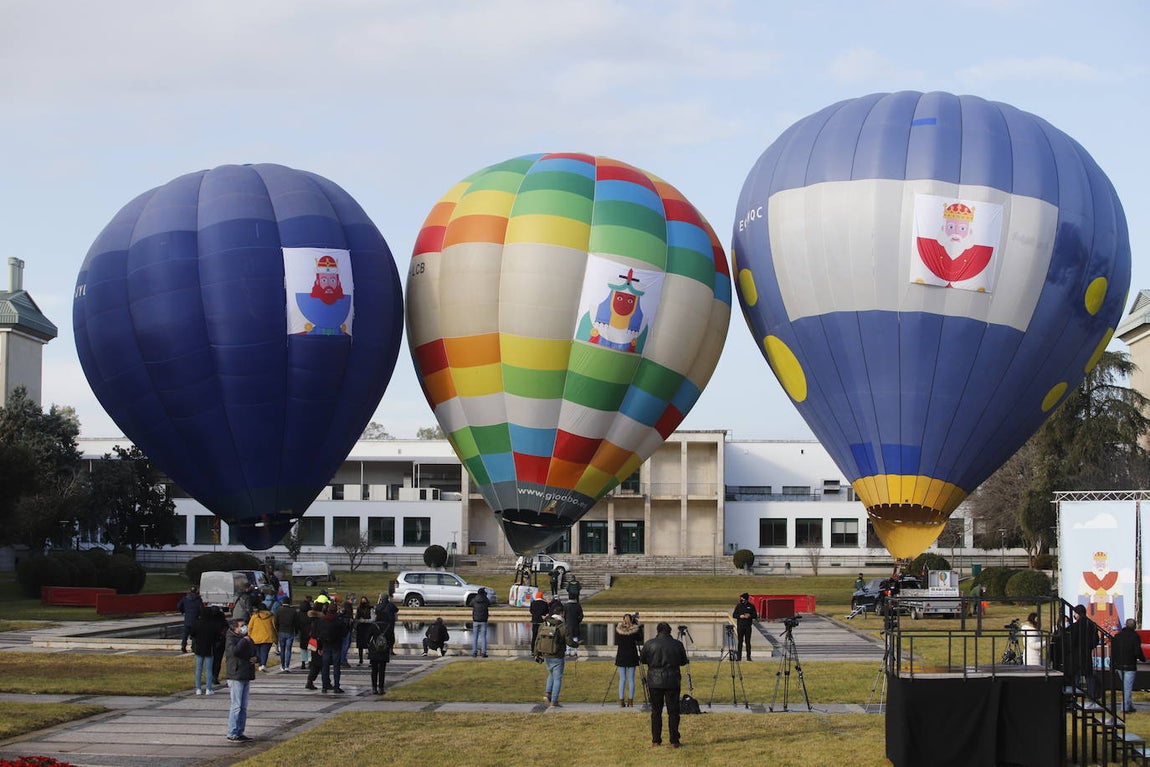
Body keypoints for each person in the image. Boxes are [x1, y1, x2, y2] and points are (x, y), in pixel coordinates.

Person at [640, 621, 690, 748]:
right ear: (670, 631)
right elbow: (684, 661)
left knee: (656, 711)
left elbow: (643, 660)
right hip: (672, 680)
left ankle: (656, 740)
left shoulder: (649, 644)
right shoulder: (677, 644)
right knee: (673, 712)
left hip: (655, 681)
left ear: (658, 631)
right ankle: (674, 740)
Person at [534, 605, 578, 707]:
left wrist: (537, 653)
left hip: (546, 654)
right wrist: (577, 644)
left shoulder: (544, 624)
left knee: (551, 674)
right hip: (557, 655)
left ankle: (547, 694)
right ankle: (554, 700)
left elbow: (537, 640)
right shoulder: (562, 626)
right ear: (561, 613)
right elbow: (569, 642)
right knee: (557, 678)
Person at [223, 618, 256, 743]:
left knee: (243, 706)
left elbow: (253, 649)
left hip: (246, 673)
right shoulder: (231, 639)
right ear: (235, 628)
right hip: (236, 675)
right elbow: (235, 652)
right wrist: (243, 640)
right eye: (242, 626)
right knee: (236, 706)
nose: (244, 628)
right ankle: (232, 732)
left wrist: (255, 657)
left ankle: (240, 731)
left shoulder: (246, 638)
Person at [1111, 617, 1146, 713]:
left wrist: (1112, 664)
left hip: (1119, 665)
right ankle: (1125, 708)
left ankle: (1129, 705)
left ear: (1125, 625)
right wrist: (1143, 659)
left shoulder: (1117, 636)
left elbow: (1113, 652)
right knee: (1127, 687)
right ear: (1134, 627)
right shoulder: (1135, 636)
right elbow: (1137, 651)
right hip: (1130, 665)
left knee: (1126, 686)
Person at [315, 602, 349, 693]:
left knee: (325, 667)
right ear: (336, 611)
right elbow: (345, 633)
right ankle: (336, 686)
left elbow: (319, 635)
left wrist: (319, 647)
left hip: (325, 645)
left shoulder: (322, 620)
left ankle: (324, 686)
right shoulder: (338, 621)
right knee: (336, 667)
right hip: (336, 645)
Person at [190, 606, 225, 695]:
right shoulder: (213, 625)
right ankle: (208, 689)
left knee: (198, 669)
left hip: (199, 648)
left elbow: (192, 634)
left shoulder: (197, 624)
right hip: (210, 648)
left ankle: (198, 689)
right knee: (209, 669)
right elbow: (217, 637)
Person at [1069, 604, 1099, 699]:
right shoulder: (1091, 624)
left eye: (1075, 613)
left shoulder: (1075, 625)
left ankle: (1075, 695)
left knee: (1076, 676)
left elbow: (1072, 640)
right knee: (1089, 675)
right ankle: (1091, 695)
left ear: (1077, 613)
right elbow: (1096, 640)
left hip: (1077, 653)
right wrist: (1090, 646)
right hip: (1087, 653)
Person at [614, 612, 644, 707]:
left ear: (623, 620)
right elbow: (640, 638)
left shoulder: (619, 631)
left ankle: (621, 700)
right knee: (631, 680)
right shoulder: (634, 631)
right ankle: (630, 701)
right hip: (632, 656)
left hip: (621, 656)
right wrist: (637, 626)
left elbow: (617, 641)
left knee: (622, 679)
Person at [246, 603, 277, 672]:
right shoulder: (271, 616)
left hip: (255, 637)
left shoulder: (255, 616)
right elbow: (275, 626)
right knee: (264, 652)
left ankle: (260, 664)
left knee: (258, 652)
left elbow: (250, 626)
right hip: (268, 637)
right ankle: (263, 664)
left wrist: (249, 635)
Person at [366, 615, 391, 695]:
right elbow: (391, 639)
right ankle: (381, 688)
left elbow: (367, 637)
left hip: (374, 650)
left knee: (374, 670)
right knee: (382, 671)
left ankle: (374, 688)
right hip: (384, 650)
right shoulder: (388, 626)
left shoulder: (374, 626)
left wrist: (369, 646)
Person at [275, 596, 299, 673]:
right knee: (288, 649)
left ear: (282, 602)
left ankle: (282, 666)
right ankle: (287, 666)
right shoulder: (293, 611)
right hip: (290, 631)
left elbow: (276, 621)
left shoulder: (278, 610)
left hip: (281, 631)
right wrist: (296, 631)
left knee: (282, 649)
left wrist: (277, 629)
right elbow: (296, 622)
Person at [732, 592, 759, 661]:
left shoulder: (751, 606)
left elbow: (755, 615)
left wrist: (749, 616)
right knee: (740, 642)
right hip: (740, 626)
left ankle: (748, 657)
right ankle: (739, 657)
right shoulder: (738, 606)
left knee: (748, 642)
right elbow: (734, 615)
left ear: (746, 599)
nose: (741, 599)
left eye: (742, 598)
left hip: (748, 627)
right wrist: (740, 616)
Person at [177, 586, 203, 653]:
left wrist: (183, 611)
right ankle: (193, 648)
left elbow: (179, 606)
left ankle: (183, 646)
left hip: (187, 619)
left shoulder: (185, 598)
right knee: (194, 635)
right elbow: (202, 609)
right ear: (196, 591)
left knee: (185, 635)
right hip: (195, 620)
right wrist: (200, 615)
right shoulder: (198, 599)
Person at [355, 595, 374, 665]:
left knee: (369, 645)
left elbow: (373, 619)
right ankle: (360, 660)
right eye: (362, 601)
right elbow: (356, 618)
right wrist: (358, 621)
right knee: (360, 646)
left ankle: (371, 660)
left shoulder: (370, 608)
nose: (363, 602)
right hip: (360, 628)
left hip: (368, 628)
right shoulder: (358, 608)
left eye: (364, 601)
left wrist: (365, 620)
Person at [471, 589, 490, 657]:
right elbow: (489, 603)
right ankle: (483, 652)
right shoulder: (485, 600)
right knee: (483, 637)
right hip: (484, 620)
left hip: (476, 620)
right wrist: (485, 596)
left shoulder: (474, 599)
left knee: (475, 637)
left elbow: (470, 604)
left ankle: (474, 652)